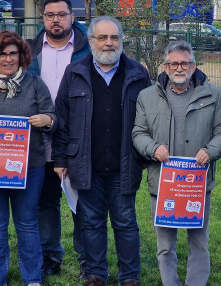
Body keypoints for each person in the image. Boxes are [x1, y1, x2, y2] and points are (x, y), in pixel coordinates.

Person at [52, 16, 151, 286]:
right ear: (92, 41)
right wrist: (60, 159)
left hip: (125, 162)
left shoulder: (137, 73)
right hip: (85, 163)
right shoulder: (75, 72)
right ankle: (96, 275)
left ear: (121, 40)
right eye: (103, 38)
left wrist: (144, 156)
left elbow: (150, 117)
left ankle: (130, 277)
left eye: (114, 37)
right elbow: (62, 119)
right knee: (91, 222)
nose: (109, 43)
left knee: (126, 223)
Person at [132, 40, 221, 286]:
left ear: (193, 66)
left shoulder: (213, 94)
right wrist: (153, 148)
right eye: (174, 63)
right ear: (165, 67)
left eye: (184, 63)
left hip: (196, 184)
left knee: (199, 240)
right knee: (165, 243)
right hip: (163, 182)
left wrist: (209, 151)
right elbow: (138, 133)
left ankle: (195, 283)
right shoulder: (147, 96)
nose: (179, 68)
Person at [0, 30, 56, 286]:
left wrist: (47, 120)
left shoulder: (34, 84)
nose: (8, 59)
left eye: (14, 53)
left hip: (30, 167)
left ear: (22, 56)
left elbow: (53, 119)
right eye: (2, 54)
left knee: (27, 223)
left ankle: (32, 278)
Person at [27, 0, 91, 279]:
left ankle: (87, 259)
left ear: (72, 17)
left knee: (81, 201)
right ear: (43, 18)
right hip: (39, 138)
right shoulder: (29, 50)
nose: (56, 20)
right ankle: (49, 255)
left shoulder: (87, 49)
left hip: (78, 137)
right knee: (45, 200)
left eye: (62, 15)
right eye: (50, 15)